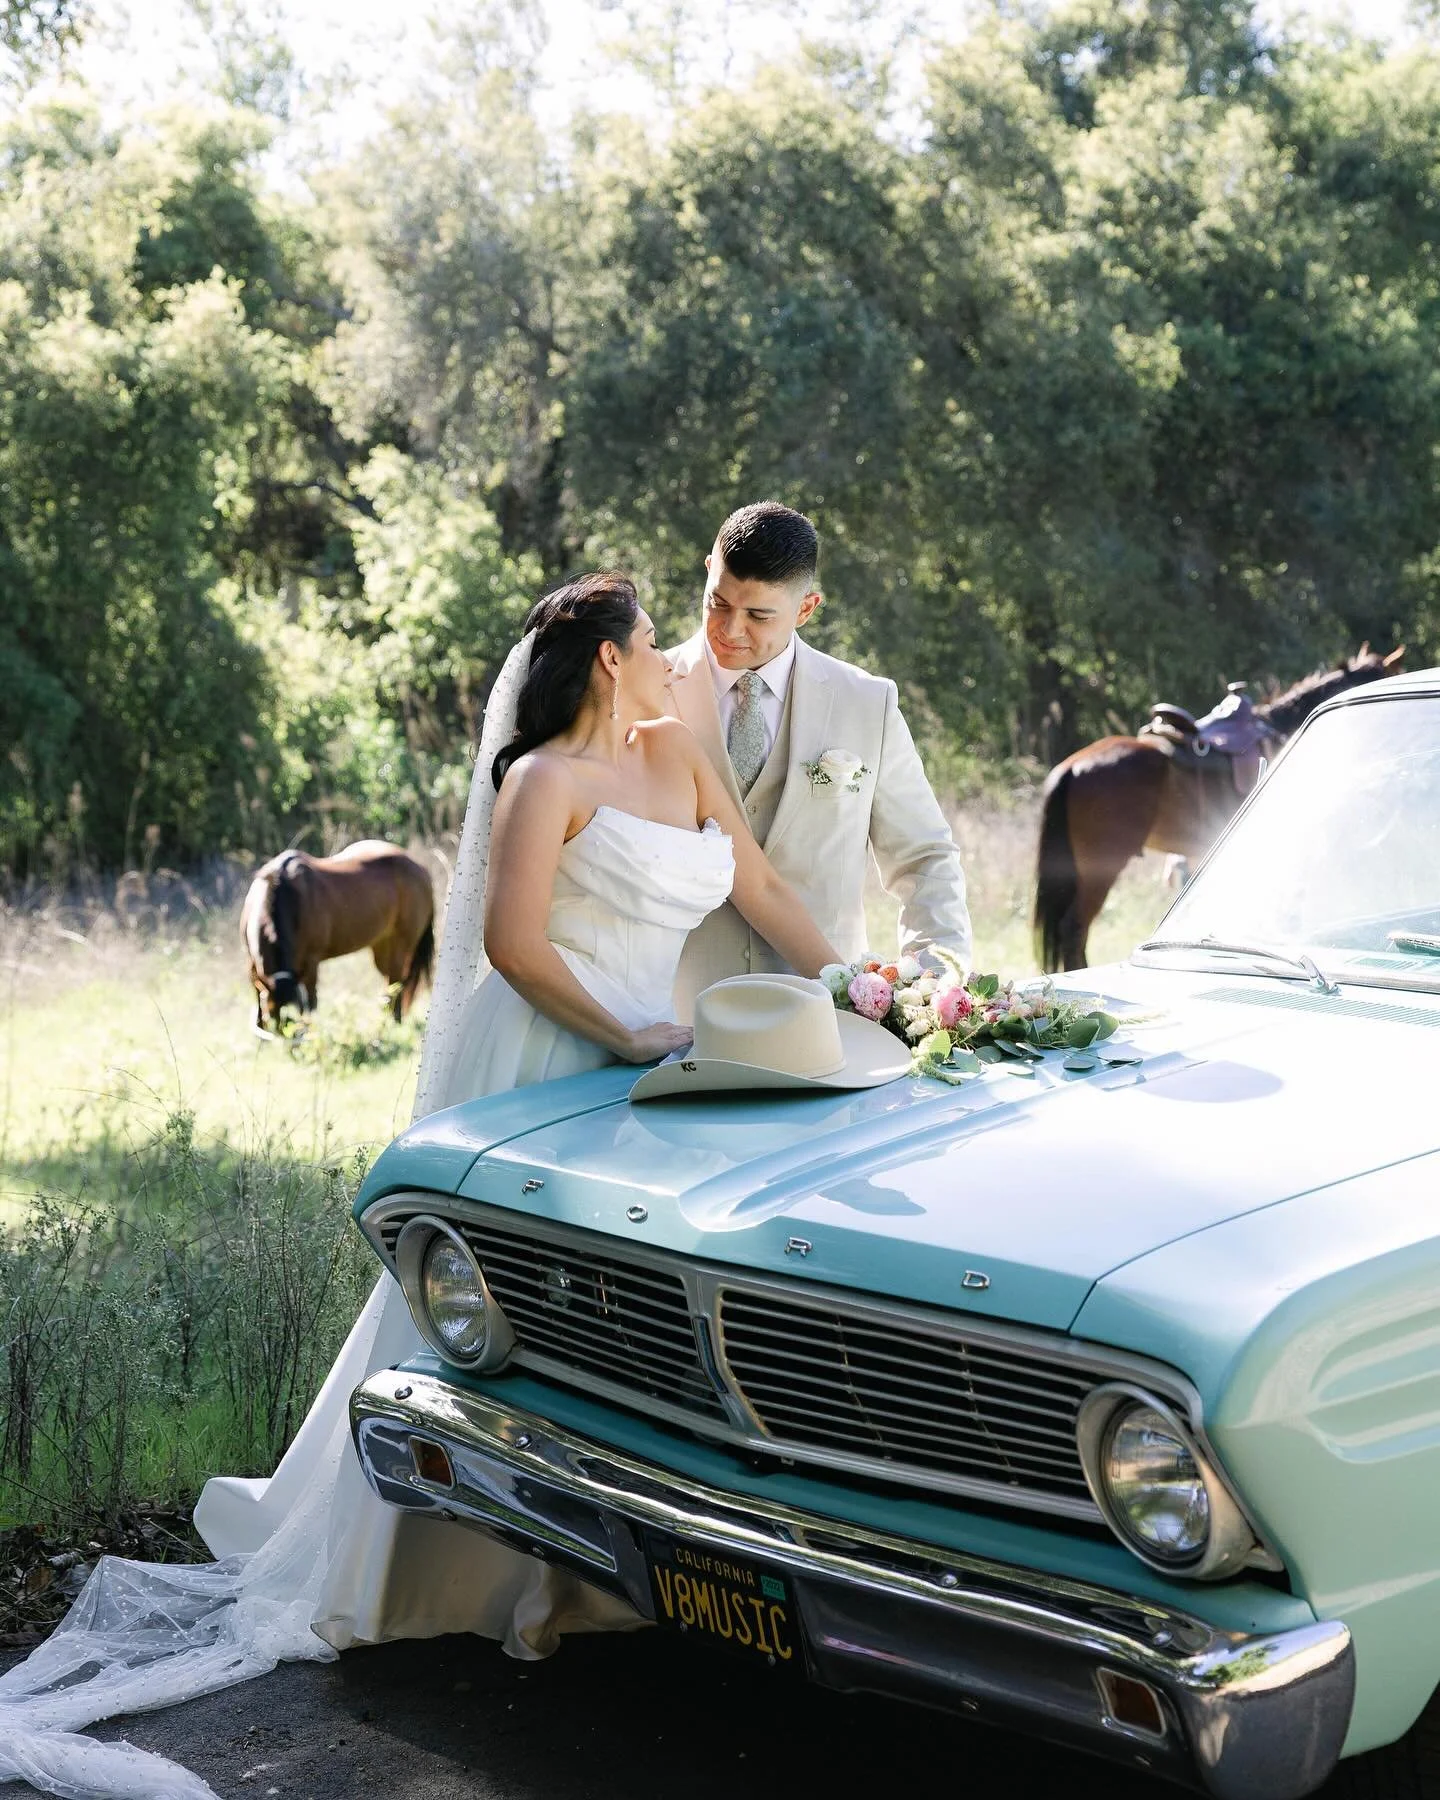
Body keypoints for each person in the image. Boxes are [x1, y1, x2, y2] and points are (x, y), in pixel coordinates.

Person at [0, 574, 843, 1800]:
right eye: (655, 640)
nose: (676, 657)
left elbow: (760, 889)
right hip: (560, 1052)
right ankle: (443, 1567)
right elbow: (511, 945)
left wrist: (867, 986)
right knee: (504, 1310)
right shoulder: (540, 780)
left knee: (621, 1313)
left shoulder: (683, 750)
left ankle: (609, 1564)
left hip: (661, 1059)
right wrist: (628, 1037)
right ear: (608, 660)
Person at [667, 501, 972, 1021]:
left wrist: (932, 987)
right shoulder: (647, 692)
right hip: (676, 1014)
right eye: (717, 602)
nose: (729, 629)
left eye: (759, 615)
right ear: (707, 572)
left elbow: (922, 857)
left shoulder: (867, 703)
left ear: (807, 608)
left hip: (828, 1018)